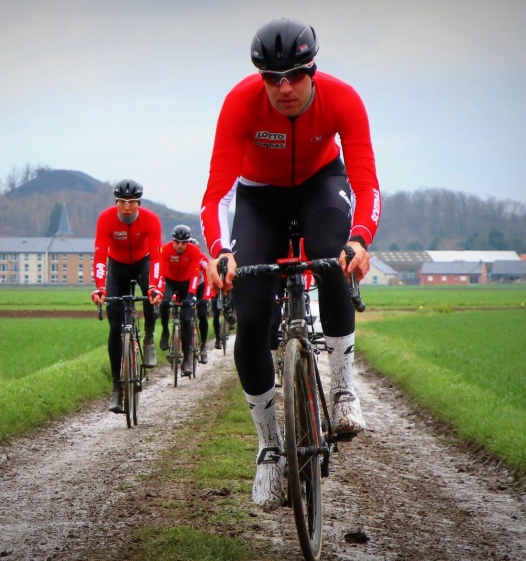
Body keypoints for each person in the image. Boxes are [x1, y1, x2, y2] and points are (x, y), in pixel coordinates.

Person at [201, 18, 380, 511]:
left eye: (294, 75)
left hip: (322, 185)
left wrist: (361, 240)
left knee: (334, 258)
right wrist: (220, 250)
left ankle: (344, 392)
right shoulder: (240, 102)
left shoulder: (343, 99)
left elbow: (367, 184)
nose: (283, 87)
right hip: (260, 201)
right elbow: (217, 191)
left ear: (313, 71)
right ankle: (268, 449)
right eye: (271, 77)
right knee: (253, 316)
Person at [92, 179, 163, 414]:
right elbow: (101, 254)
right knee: (115, 326)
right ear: (117, 202)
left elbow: (156, 255)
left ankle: (150, 337)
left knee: (150, 296)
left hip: (143, 264)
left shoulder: (151, 219)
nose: (126, 207)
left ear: (138, 203)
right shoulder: (106, 218)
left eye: (131, 202)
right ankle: (117, 388)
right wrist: (100, 288)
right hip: (117, 268)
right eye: (122, 202)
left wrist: (155, 286)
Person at [157, 225, 204, 376]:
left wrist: (190, 295)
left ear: (188, 242)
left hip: (186, 283)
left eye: (184, 243)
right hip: (169, 280)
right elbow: (161, 272)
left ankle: (186, 360)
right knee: (164, 303)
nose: (180, 246)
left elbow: (196, 274)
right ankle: (165, 330)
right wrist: (161, 291)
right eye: (177, 242)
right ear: (173, 241)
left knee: (186, 320)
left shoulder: (194, 251)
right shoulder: (165, 249)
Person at [190, 238, 212, 363]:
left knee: (202, 316)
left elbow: (208, 279)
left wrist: (206, 297)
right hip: (187, 286)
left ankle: (203, 345)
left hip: (201, 287)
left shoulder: (202, 259)